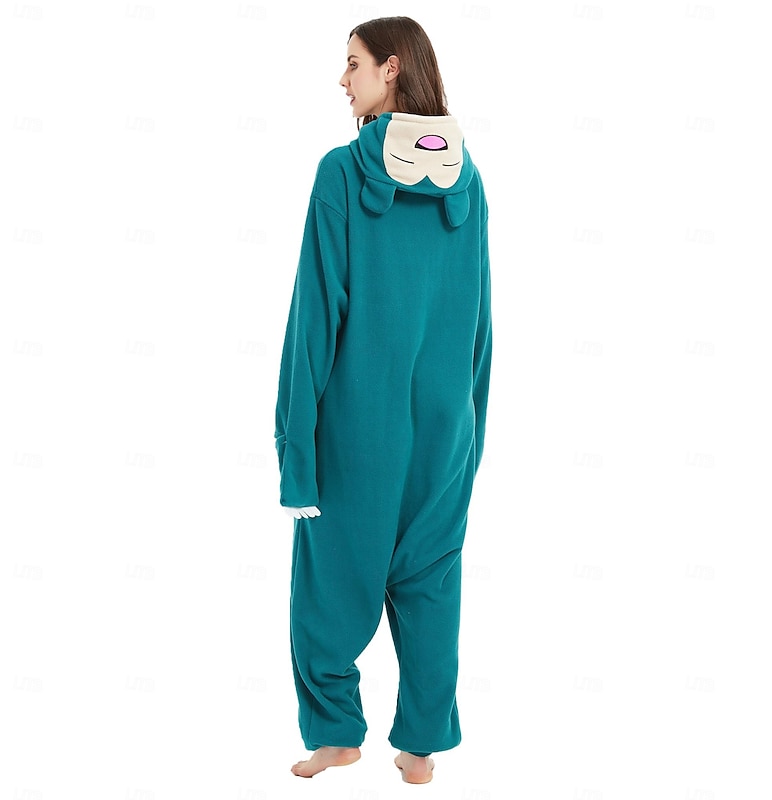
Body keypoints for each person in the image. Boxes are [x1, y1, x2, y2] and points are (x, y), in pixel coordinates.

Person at [274, 16, 492, 784]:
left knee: (327, 589)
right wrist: (471, 444)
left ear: (391, 68)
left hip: (357, 432)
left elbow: (313, 323)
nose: (343, 80)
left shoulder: (342, 173)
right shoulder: (469, 182)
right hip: (446, 435)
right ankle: (421, 749)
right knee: (430, 585)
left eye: (353, 63)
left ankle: (337, 734)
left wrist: (296, 454)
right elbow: (480, 328)